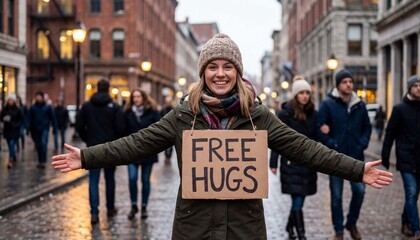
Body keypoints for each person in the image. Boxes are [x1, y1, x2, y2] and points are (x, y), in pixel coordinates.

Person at [53, 33, 393, 239]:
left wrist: (357, 169)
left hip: (244, 228)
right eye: (212, 67)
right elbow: (134, 144)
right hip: (194, 227)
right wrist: (86, 157)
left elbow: (305, 149)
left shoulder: (257, 116)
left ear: (237, 73)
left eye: (227, 67)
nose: (220, 73)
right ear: (203, 73)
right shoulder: (183, 115)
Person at [317, 69, 372, 240]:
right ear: (338, 84)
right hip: (336, 158)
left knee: (360, 190)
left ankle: (352, 223)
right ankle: (339, 230)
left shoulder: (359, 104)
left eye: (350, 82)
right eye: (344, 82)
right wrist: (332, 144)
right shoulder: (328, 104)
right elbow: (320, 129)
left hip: (356, 157)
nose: (348, 84)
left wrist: (361, 144)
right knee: (336, 196)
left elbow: (367, 127)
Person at [269, 76, 319, 240]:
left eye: (307, 93)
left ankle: (290, 227)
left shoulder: (313, 113)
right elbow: (277, 139)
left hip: (308, 164)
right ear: (295, 95)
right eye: (301, 93)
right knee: (297, 201)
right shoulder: (285, 114)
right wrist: (273, 162)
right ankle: (301, 235)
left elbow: (317, 137)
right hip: (291, 163)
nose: (305, 96)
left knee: (299, 201)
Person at [381, 75, 420, 240]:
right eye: (415, 85)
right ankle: (416, 230)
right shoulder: (399, 109)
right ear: (409, 88)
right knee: (411, 193)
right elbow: (390, 133)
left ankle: (405, 223)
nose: (418, 88)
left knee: (414, 195)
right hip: (406, 158)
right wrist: (385, 156)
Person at [75, 79, 125, 224]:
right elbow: (120, 128)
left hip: (92, 148)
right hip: (110, 147)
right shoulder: (114, 107)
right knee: (110, 179)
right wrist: (115, 141)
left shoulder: (87, 106)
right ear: (108, 89)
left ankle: (94, 213)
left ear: (97, 88)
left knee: (93, 180)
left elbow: (79, 126)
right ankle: (110, 208)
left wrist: (88, 139)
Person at [124, 89, 161, 220]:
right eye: (134, 97)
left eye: (138, 96)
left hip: (148, 152)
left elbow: (158, 130)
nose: (136, 99)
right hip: (132, 153)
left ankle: (144, 206)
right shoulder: (127, 112)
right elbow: (123, 132)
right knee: (132, 178)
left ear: (144, 98)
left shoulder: (152, 112)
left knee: (145, 180)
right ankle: (134, 205)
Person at [29, 91, 58, 169]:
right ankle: (40, 161)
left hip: (44, 128)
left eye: (39, 96)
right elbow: (30, 118)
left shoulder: (47, 107)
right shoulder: (33, 107)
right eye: (37, 97)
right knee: (38, 145)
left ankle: (43, 161)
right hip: (35, 129)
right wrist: (29, 128)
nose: (38, 98)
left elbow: (53, 118)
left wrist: (55, 128)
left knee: (43, 143)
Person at [1, 94, 24, 168]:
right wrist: (4, 119)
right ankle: (13, 155)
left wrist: (16, 125)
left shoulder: (18, 109)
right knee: (9, 145)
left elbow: (21, 119)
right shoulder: (5, 109)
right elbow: (1, 117)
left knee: (11, 144)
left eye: (12, 100)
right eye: (9, 100)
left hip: (15, 130)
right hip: (7, 130)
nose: (10, 101)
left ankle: (10, 159)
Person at [161, 96, 174, 165]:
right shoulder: (163, 109)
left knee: (171, 146)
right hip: (164, 129)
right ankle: (166, 156)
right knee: (165, 145)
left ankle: (169, 157)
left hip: (172, 129)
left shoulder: (173, 109)